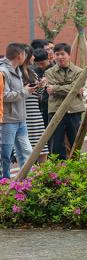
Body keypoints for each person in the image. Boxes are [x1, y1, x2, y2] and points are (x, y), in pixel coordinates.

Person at [44, 43, 86, 159]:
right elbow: (74, 89)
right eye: (57, 54)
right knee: (56, 144)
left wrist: (56, 88)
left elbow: (75, 87)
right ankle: (57, 172)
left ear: (69, 55)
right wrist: (72, 88)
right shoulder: (49, 72)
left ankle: (76, 170)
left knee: (75, 143)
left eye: (62, 54)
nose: (60, 57)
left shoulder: (79, 71)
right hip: (55, 111)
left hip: (74, 111)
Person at [0, 43, 34, 178]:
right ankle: (4, 185)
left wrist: (27, 90)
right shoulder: (3, 72)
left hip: (20, 119)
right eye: (25, 54)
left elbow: (18, 93)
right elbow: (3, 96)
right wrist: (24, 92)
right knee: (5, 155)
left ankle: (26, 183)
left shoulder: (17, 70)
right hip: (7, 121)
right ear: (20, 55)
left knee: (27, 152)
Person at [24, 50, 49, 163]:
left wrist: (41, 86)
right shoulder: (16, 73)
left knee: (42, 147)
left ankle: (42, 175)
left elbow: (37, 95)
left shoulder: (32, 72)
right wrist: (26, 90)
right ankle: (29, 174)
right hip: (24, 113)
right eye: (31, 55)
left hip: (35, 112)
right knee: (27, 148)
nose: (34, 57)